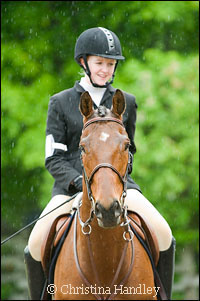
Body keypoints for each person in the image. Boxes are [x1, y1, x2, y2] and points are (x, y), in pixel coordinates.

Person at [24, 27, 175, 300]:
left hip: (117, 186)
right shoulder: (60, 103)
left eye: (110, 63)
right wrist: (80, 182)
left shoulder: (125, 101)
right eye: (99, 63)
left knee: (164, 234)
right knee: (34, 244)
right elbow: (53, 157)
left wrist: (112, 182)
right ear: (84, 62)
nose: (105, 69)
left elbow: (128, 152)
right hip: (70, 189)